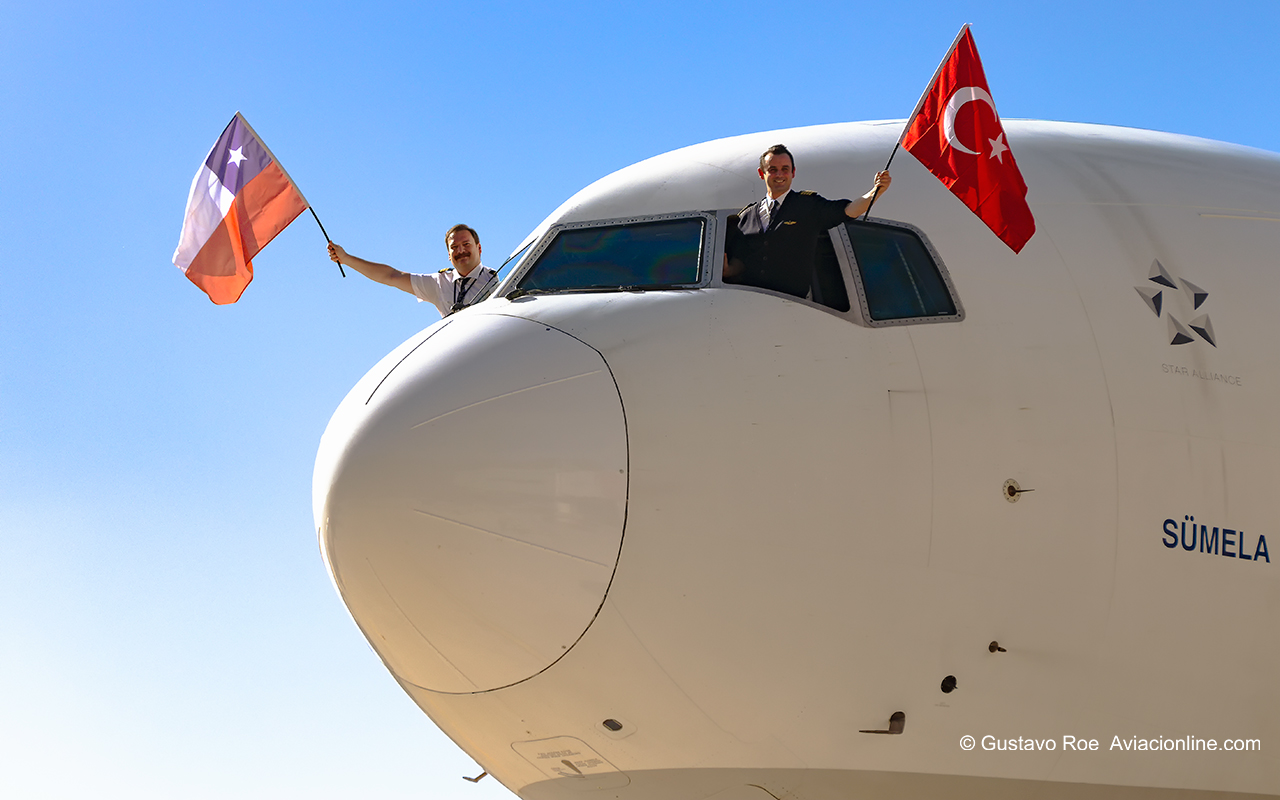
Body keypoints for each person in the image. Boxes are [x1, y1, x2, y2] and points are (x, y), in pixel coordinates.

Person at [724, 144, 892, 299]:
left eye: (785, 169)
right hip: (752, 300)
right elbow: (740, 259)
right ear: (762, 174)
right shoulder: (747, 215)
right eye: (773, 170)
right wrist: (728, 270)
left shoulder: (808, 205)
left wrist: (874, 193)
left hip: (792, 303)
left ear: (793, 173)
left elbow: (848, 210)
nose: (779, 175)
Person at [327, 224, 498, 317]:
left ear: (479, 248)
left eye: (466, 245)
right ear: (448, 255)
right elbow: (391, 276)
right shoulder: (439, 282)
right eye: (454, 247)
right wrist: (346, 258)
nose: (460, 251)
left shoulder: (497, 281)